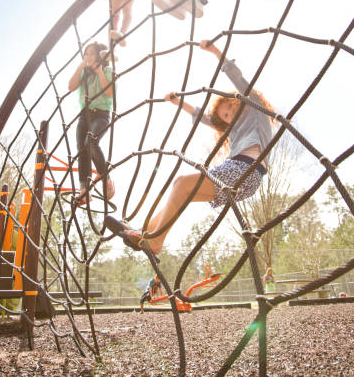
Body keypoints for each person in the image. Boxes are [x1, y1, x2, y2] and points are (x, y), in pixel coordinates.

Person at [107, 40, 276, 255]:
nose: (230, 115)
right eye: (225, 115)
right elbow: (206, 119)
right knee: (181, 192)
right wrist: (180, 103)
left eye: (231, 108)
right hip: (233, 171)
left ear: (238, 101)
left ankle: (156, 241)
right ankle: (145, 232)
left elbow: (237, 78)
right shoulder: (232, 130)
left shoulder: (256, 109)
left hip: (246, 172)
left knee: (181, 183)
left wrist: (215, 51)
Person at [68, 41, 115, 206]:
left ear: (99, 56)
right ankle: (84, 190)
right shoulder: (84, 74)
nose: (88, 57)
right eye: (85, 54)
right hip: (84, 115)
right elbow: (71, 86)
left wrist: (100, 71)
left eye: (92, 54)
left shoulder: (108, 70)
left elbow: (109, 93)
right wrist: (81, 67)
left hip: (101, 115)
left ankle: (105, 177)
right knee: (82, 151)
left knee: (91, 143)